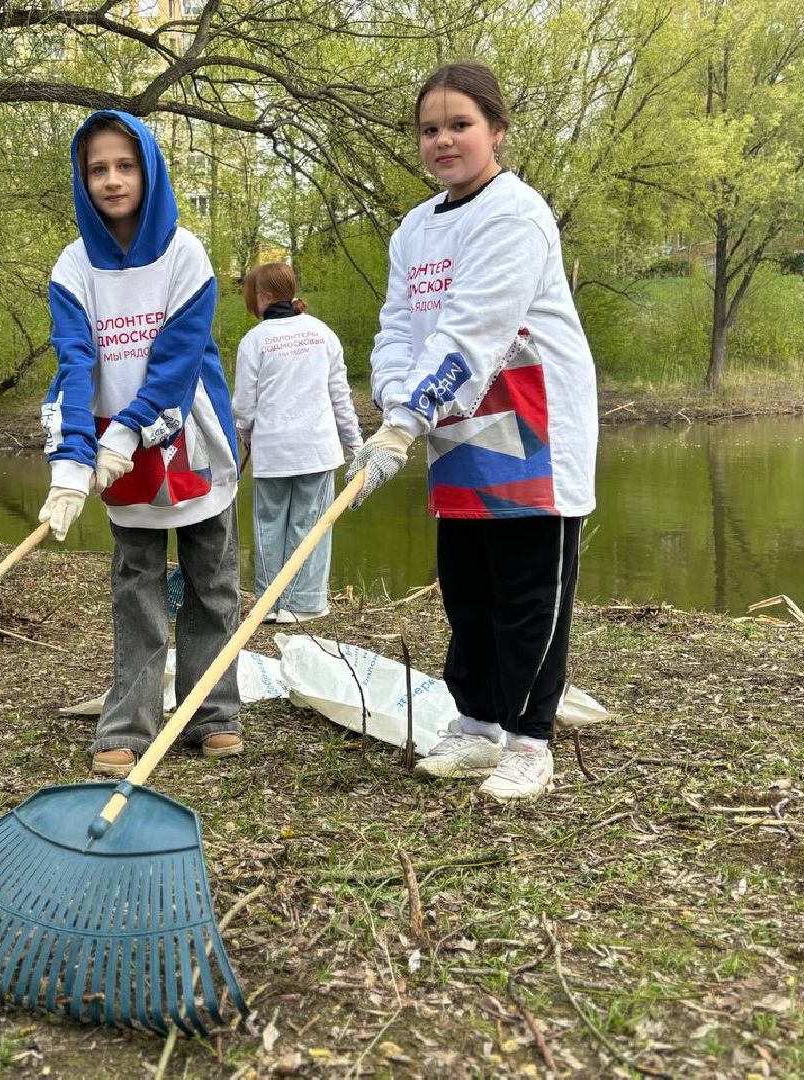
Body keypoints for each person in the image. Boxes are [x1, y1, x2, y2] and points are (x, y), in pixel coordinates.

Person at [347, 60, 598, 802]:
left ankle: (530, 740)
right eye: (430, 129)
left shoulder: (515, 215)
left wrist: (405, 422)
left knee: (527, 591)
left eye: (460, 124)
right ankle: (478, 725)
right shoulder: (413, 230)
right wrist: (397, 403)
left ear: (497, 130)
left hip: (531, 425)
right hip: (453, 427)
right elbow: (397, 330)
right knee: (469, 590)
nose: (444, 140)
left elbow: (472, 333)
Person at [37, 110, 244, 777]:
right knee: (137, 587)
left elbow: (178, 363)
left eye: (125, 165)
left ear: (148, 169)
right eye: (98, 168)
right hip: (112, 460)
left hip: (192, 444)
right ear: (82, 179)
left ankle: (211, 714)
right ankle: (127, 721)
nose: (112, 179)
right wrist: (69, 465)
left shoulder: (186, 253)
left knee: (212, 585)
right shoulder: (73, 269)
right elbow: (75, 366)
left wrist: (129, 429)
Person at [231, 262, 361, 624]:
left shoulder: (254, 341)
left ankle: (270, 603)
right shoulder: (322, 333)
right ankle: (303, 604)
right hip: (317, 449)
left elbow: (243, 407)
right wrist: (356, 445)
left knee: (269, 525)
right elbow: (340, 397)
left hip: (273, 451)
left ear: (264, 296)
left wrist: (247, 437)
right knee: (311, 523)